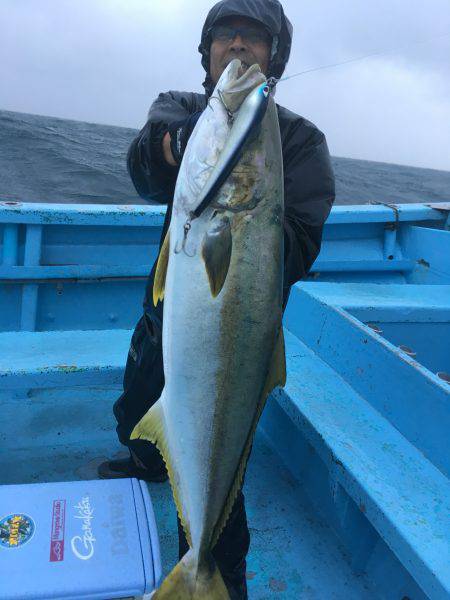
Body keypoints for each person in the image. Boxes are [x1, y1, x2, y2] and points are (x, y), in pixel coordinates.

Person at [98, 0, 335, 597]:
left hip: (234, 334)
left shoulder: (301, 143)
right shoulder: (183, 113)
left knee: (211, 446)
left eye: (252, 38)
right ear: (205, 53)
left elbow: (299, 244)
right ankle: (148, 458)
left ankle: (211, 570)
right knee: (140, 413)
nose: (236, 46)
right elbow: (146, 166)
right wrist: (169, 146)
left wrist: (243, 213)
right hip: (168, 316)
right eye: (224, 36)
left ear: (273, 55)